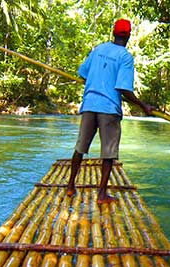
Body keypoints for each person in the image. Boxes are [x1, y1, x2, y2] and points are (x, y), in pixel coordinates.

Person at [66, 18, 155, 204]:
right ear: (128, 36)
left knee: (80, 147)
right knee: (109, 153)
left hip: (90, 104)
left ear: (113, 33)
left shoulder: (98, 49)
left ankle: (70, 186)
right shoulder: (125, 57)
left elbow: (83, 73)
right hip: (108, 108)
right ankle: (101, 194)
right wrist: (143, 105)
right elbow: (123, 88)